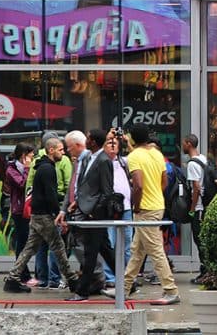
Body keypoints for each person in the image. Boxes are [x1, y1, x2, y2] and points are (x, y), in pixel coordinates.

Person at [109, 123, 179, 305]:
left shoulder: (134, 157)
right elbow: (164, 182)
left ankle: (171, 290)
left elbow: (138, 185)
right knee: (137, 251)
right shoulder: (156, 153)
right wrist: (154, 194)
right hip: (157, 205)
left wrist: (137, 205)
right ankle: (124, 289)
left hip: (145, 209)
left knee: (155, 250)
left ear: (132, 138)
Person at [3, 137, 80, 294]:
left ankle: (12, 278)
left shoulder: (42, 167)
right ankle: (72, 279)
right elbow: (50, 195)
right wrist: (58, 214)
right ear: (51, 150)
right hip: (44, 215)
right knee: (58, 247)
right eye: (60, 150)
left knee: (30, 248)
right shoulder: (48, 169)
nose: (63, 153)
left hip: (38, 214)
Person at [64, 128, 117, 301]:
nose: (86, 140)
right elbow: (86, 186)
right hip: (85, 209)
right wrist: (77, 202)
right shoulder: (90, 158)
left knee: (90, 253)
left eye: (88, 138)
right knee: (105, 250)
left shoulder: (104, 160)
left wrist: (95, 211)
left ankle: (82, 291)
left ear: (93, 141)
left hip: (95, 214)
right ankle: (129, 283)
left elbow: (107, 191)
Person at [101, 130, 132, 289]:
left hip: (125, 207)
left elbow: (135, 155)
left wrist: (127, 142)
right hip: (108, 208)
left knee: (128, 244)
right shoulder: (101, 161)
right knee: (110, 242)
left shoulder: (124, 162)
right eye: (109, 143)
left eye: (115, 143)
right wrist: (108, 136)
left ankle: (128, 276)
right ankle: (110, 277)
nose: (112, 146)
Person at [3, 143, 33, 281]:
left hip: (28, 207)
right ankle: (22, 274)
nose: (32, 156)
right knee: (22, 242)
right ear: (23, 155)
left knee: (25, 241)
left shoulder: (27, 167)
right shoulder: (11, 169)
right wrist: (27, 169)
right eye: (30, 154)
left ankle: (22, 273)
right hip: (19, 210)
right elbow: (22, 184)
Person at [183, 133, 209, 284]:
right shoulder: (203, 158)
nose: (183, 146)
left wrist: (192, 210)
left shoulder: (192, 164)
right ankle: (206, 271)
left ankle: (205, 272)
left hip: (199, 208)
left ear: (189, 144)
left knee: (199, 240)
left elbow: (196, 188)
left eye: (184, 143)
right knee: (202, 240)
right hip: (205, 206)